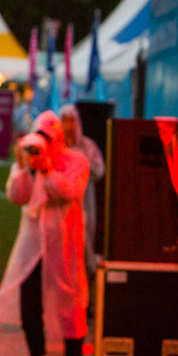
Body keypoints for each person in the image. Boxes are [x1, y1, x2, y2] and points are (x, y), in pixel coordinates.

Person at [0, 110, 90, 356]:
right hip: (32, 246)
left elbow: (70, 191)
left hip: (64, 246)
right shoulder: (30, 163)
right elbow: (17, 197)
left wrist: (46, 170)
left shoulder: (76, 161)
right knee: (30, 309)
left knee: (70, 304)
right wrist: (23, 168)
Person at [59, 104, 106, 277]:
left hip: (84, 198)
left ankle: (87, 272)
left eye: (72, 121)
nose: (69, 126)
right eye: (65, 121)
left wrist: (81, 160)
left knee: (84, 234)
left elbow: (100, 170)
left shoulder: (87, 146)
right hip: (61, 201)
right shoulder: (57, 146)